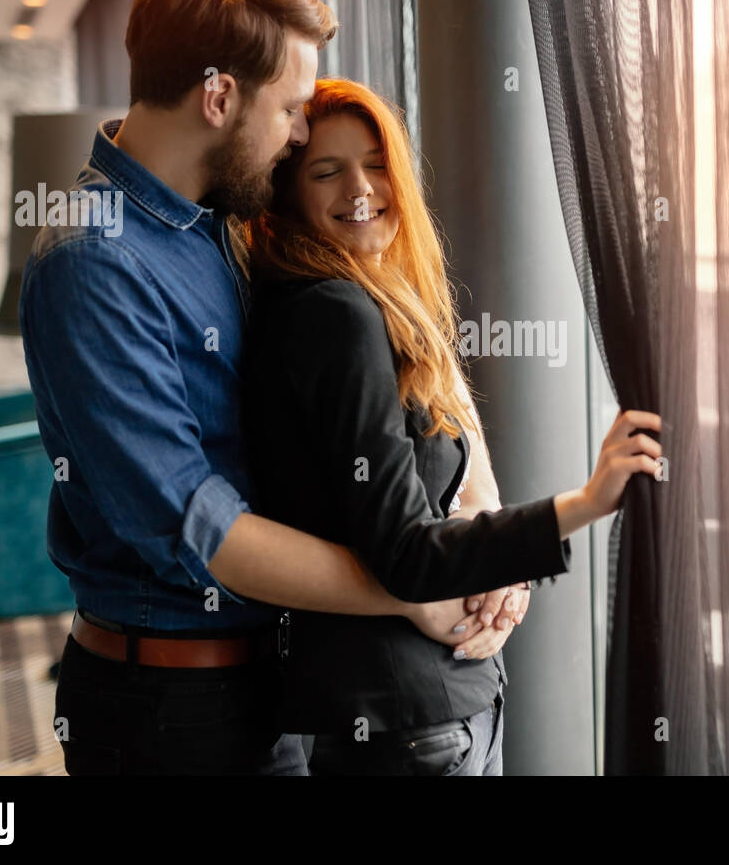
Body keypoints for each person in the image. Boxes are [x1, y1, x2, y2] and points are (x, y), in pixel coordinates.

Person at [18, 0, 545, 776]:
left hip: (288, 679)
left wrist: (481, 533)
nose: (302, 134)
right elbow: (203, 532)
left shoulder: (234, 219)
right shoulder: (93, 263)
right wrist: (422, 588)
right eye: (293, 109)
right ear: (219, 96)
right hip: (171, 712)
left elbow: (413, 359)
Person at [242, 78, 663, 775]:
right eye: (327, 170)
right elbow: (404, 551)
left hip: (426, 709)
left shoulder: (375, 301)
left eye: (375, 163)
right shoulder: (335, 314)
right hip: (407, 715)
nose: (360, 187)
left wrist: (504, 572)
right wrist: (583, 505)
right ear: (288, 194)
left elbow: (450, 495)